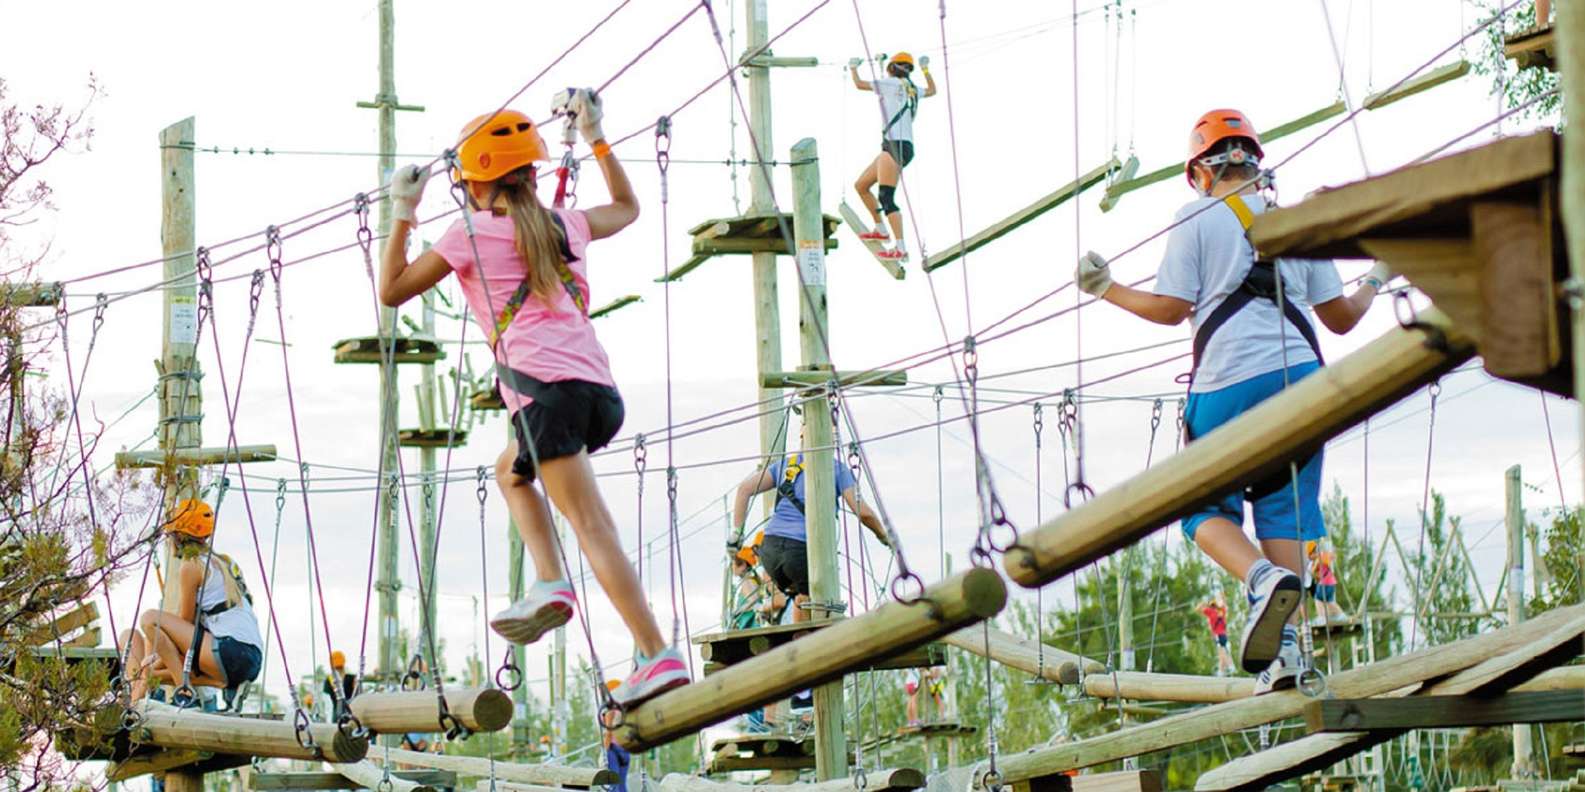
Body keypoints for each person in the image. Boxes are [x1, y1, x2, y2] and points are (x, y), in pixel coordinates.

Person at [379, 93, 688, 706]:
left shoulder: (465, 235)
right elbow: (625, 207)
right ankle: (551, 581)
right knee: (510, 472)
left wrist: (403, 212)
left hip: (545, 396)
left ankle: (655, 652)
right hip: (598, 394)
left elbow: (391, 289)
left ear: (473, 184)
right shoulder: (564, 223)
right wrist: (598, 137)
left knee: (593, 526)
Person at [1074, 109, 1390, 693]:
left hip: (1229, 381)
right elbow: (1342, 320)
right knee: (1284, 510)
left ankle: (1260, 578)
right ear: (1255, 161)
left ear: (1200, 172)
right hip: (1303, 380)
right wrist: (1376, 278)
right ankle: (1287, 651)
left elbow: (1171, 308)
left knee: (1201, 508)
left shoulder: (1195, 217)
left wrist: (1106, 288)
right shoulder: (1297, 222)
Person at [729, 429, 891, 623]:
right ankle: (806, 640)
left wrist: (737, 533)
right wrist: (885, 537)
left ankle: (799, 635)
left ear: (802, 438)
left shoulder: (785, 466)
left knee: (798, 595)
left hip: (770, 551)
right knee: (813, 598)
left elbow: (744, 490)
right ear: (831, 442)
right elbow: (863, 513)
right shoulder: (836, 469)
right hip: (799, 550)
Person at [121, 499, 265, 705]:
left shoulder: (192, 566)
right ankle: (140, 697)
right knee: (147, 662)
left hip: (229, 651)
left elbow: (185, 621)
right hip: (249, 657)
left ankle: (182, 689)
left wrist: (155, 660)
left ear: (178, 536)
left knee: (150, 619)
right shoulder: (223, 561)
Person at [849, 51, 936, 262]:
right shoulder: (911, 89)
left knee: (886, 197)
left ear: (891, 68)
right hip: (898, 145)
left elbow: (859, 84)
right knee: (861, 185)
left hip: (895, 146)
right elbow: (932, 90)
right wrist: (926, 70)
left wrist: (853, 68)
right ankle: (880, 228)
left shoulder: (890, 83)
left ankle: (900, 246)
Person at [601, 680, 632, 792]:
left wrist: (604, 751)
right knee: (622, 785)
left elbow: (609, 732)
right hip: (625, 750)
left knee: (613, 785)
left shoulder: (610, 711)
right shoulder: (625, 710)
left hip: (613, 750)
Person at [1307, 540, 1346, 623]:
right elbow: (1333, 556)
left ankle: (1321, 618)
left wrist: (1312, 571)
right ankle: (1341, 615)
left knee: (1318, 599)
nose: (1310, 557)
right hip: (1331, 582)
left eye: (1311, 554)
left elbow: (1313, 572)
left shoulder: (1319, 558)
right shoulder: (1326, 555)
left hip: (1324, 583)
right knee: (1330, 601)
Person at [1200, 592, 1235, 677]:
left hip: (1217, 635)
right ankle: (1220, 671)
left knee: (1221, 652)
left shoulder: (1210, 612)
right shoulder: (1221, 610)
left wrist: (1203, 603)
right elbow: (1224, 603)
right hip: (1224, 634)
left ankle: (1230, 665)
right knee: (1223, 651)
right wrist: (1222, 596)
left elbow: (1198, 609)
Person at [323, 649, 357, 718]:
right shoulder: (352, 678)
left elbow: (327, 705)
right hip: (351, 715)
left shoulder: (329, 680)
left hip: (338, 717)